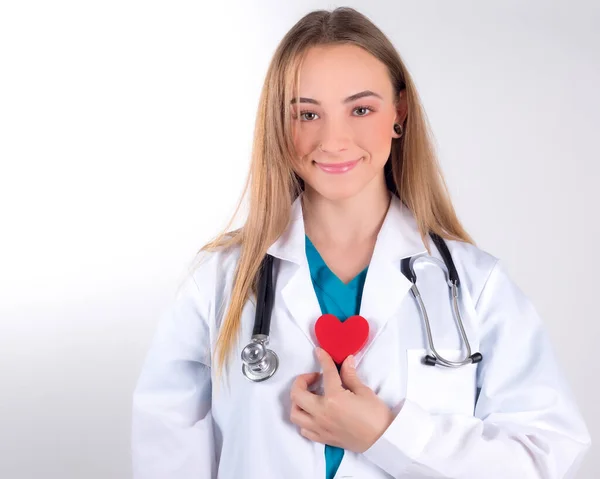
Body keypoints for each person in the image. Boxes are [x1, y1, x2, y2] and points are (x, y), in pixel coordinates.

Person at [131, 7, 591, 479]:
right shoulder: (219, 281)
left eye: (361, 109)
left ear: (399, 113)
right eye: (307, 114)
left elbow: (544, 455)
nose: (333, 140)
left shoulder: (474, 284)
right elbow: (166, 453)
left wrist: (386, 435)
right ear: (277, 123)